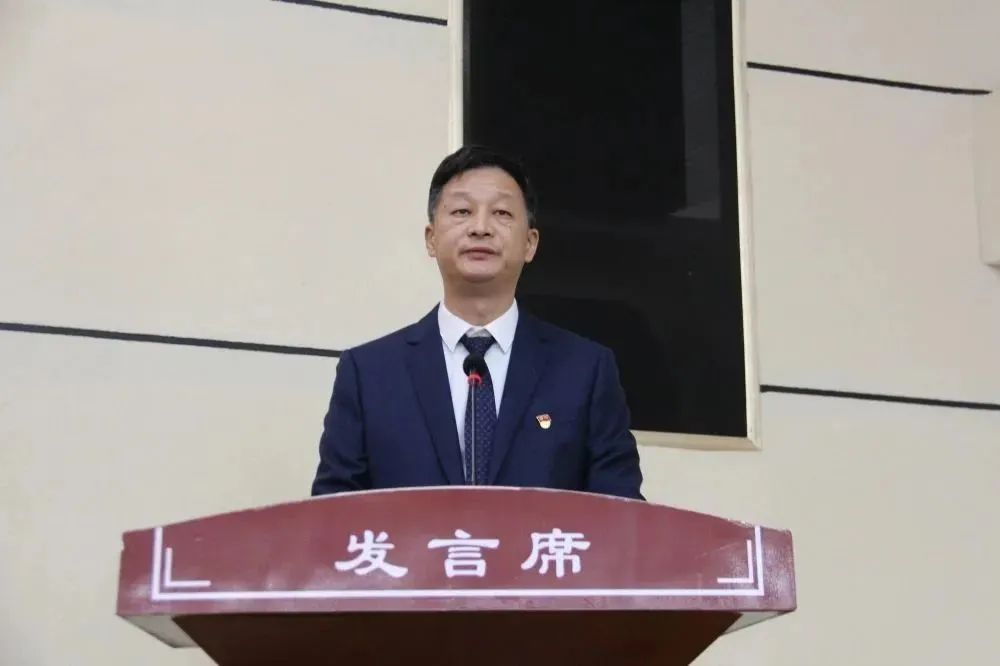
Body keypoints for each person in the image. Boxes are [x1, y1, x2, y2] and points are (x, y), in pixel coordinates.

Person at [311, 145, 643, 500]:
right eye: (462, 211)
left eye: (501, 213)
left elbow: (622, 515)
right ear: (431, 239)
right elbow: (331, 516)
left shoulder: (586, 371)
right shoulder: (368, 374)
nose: (480, 228)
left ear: (530, 243)